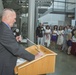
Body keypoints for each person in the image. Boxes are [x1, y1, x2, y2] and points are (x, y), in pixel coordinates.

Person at [0, 8, 44, 75]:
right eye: (14, 18)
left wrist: (14, 40)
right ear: (8, 17)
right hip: (5, 66)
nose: (15, 21)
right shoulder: (4, 30)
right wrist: (34, 57)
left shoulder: (3, 28)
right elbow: (16, 49)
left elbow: (7, 44)